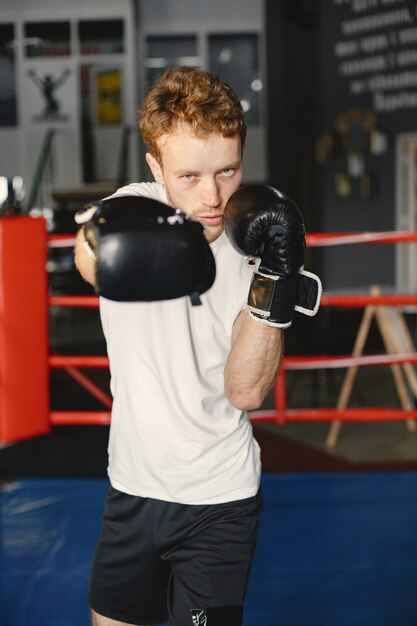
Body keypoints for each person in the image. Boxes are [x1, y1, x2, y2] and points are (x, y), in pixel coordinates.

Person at [74, 67, 316, 626]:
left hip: (221, 496)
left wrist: (275, 276)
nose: (211, 197)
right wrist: (119, 252)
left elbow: (246, 390)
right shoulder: (134, 206)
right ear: (156, 168)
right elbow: (88, 254)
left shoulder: (259, 236)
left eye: (227, 171)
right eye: (188, 177)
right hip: (133, 487)